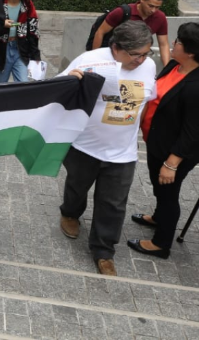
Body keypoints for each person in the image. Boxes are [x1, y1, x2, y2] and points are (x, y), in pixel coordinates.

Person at [58, 21, 157, 276]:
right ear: (116, 47)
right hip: (85, 146)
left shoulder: (148, 66)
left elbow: (146, 100)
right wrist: (70, 81)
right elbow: (56, 88)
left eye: (146, 53)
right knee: (77, 186)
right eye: (135, 55)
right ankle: (70, 213)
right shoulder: (90, 59)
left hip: (123, 152)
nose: (141, 60)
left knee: (113, 203)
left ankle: (103, 251)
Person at [129, 23, 199, 259]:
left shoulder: (195, 86)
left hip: (174, 151)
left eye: (178, 41)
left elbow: (192, 131)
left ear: (190, 51)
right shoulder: (174, 65)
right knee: (159, 186)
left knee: (168, 192)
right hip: (157, 140)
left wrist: (171, 164)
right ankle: (158, 217)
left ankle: (161, 243)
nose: (173, 43)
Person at [92, 0, 171, 67]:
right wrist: (95, 59)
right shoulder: (121, 12)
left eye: (157, 7)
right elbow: (100, 32)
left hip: (138, 61)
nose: (153, 10)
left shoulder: (160, 17)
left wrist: (167, 69)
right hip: (113, 57)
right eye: (150, 6)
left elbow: (163, 44)